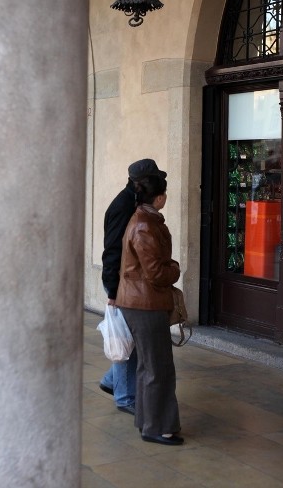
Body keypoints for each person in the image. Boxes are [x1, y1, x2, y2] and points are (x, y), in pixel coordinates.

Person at [115, 173, 183, 446]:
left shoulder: (144, 220)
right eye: (165, 193)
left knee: (148, 366)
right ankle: (158, 428)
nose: (167, 197)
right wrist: (175, 269)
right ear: (158, 197)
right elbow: (155, 272)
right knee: (159, 368)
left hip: (140, 302)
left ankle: (147, 422)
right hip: (145, 304)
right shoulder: (145, 225)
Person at [99, 159, 167, 415]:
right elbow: (113, 250)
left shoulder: (135, 201)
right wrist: (112, 290)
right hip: (123, 284)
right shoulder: (124, 206)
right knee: (128, 340)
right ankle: (125, 397)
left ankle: (112, 381)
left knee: (132, 339)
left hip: (132, 284)